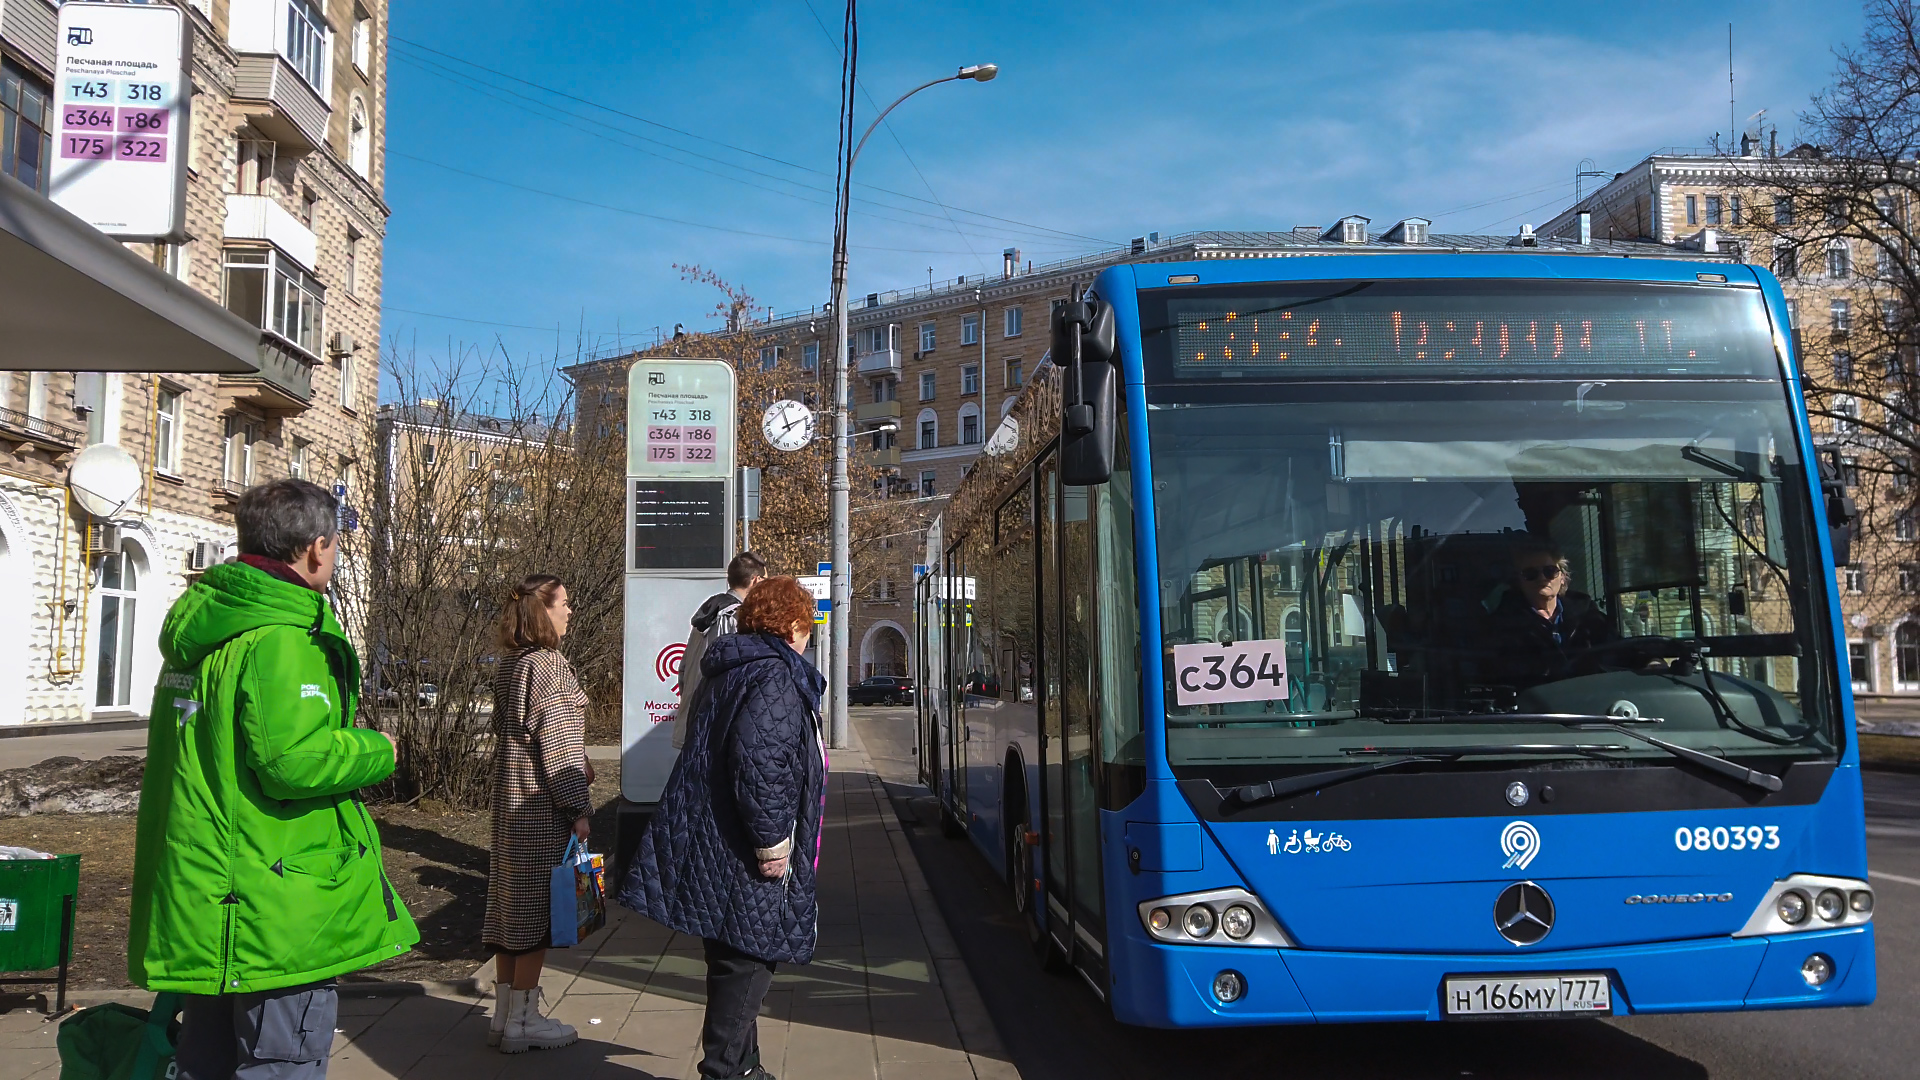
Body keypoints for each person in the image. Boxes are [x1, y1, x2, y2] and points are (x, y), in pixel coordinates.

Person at [128, 479, 417, 1080]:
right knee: (281, 1061)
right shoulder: (282, 637)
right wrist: (377, 749)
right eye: (335, 546)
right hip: (275, 903)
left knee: (204, 1060)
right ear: (316, 548)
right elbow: (294, 761)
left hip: (207, 895)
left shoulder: (204, 630)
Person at [619, 577, 827, 1080]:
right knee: (750, 963)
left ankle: (745, 1068)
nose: (810, 635)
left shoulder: (734, 667)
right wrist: (773, 843)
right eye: (808, 624)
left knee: (732, 953)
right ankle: (725, 1071)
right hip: (745, 846)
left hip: (715, 839)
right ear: (793, 624)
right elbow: (762, 766)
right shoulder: (774, 675)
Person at [482, 574, 595, 1053]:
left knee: (513, 914)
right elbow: (558, 745)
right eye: (564, 604)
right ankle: (525, 1023)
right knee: (540, 917)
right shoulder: (548, 665)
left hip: (510, 806)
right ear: (541, 611)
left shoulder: (513, 663)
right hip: (540, 809)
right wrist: (578, 809)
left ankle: (506, 1014)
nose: (570, 612)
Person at [1484, 536, 1615, 687]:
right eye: (1530, 574)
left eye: (1550, 571)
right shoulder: (1503, 625)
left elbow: (1617, 648)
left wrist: (1645, 659)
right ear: (1519, 582)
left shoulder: (1585, 611)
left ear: (1562, 577)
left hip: (1589, 698)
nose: (1542, 578)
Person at [673, 551, 768, 748]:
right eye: (765, 580)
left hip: (696, 720)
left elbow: (683, 671)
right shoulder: (734, 618)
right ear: (755, 580)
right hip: (715, 728)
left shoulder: (708, 614)